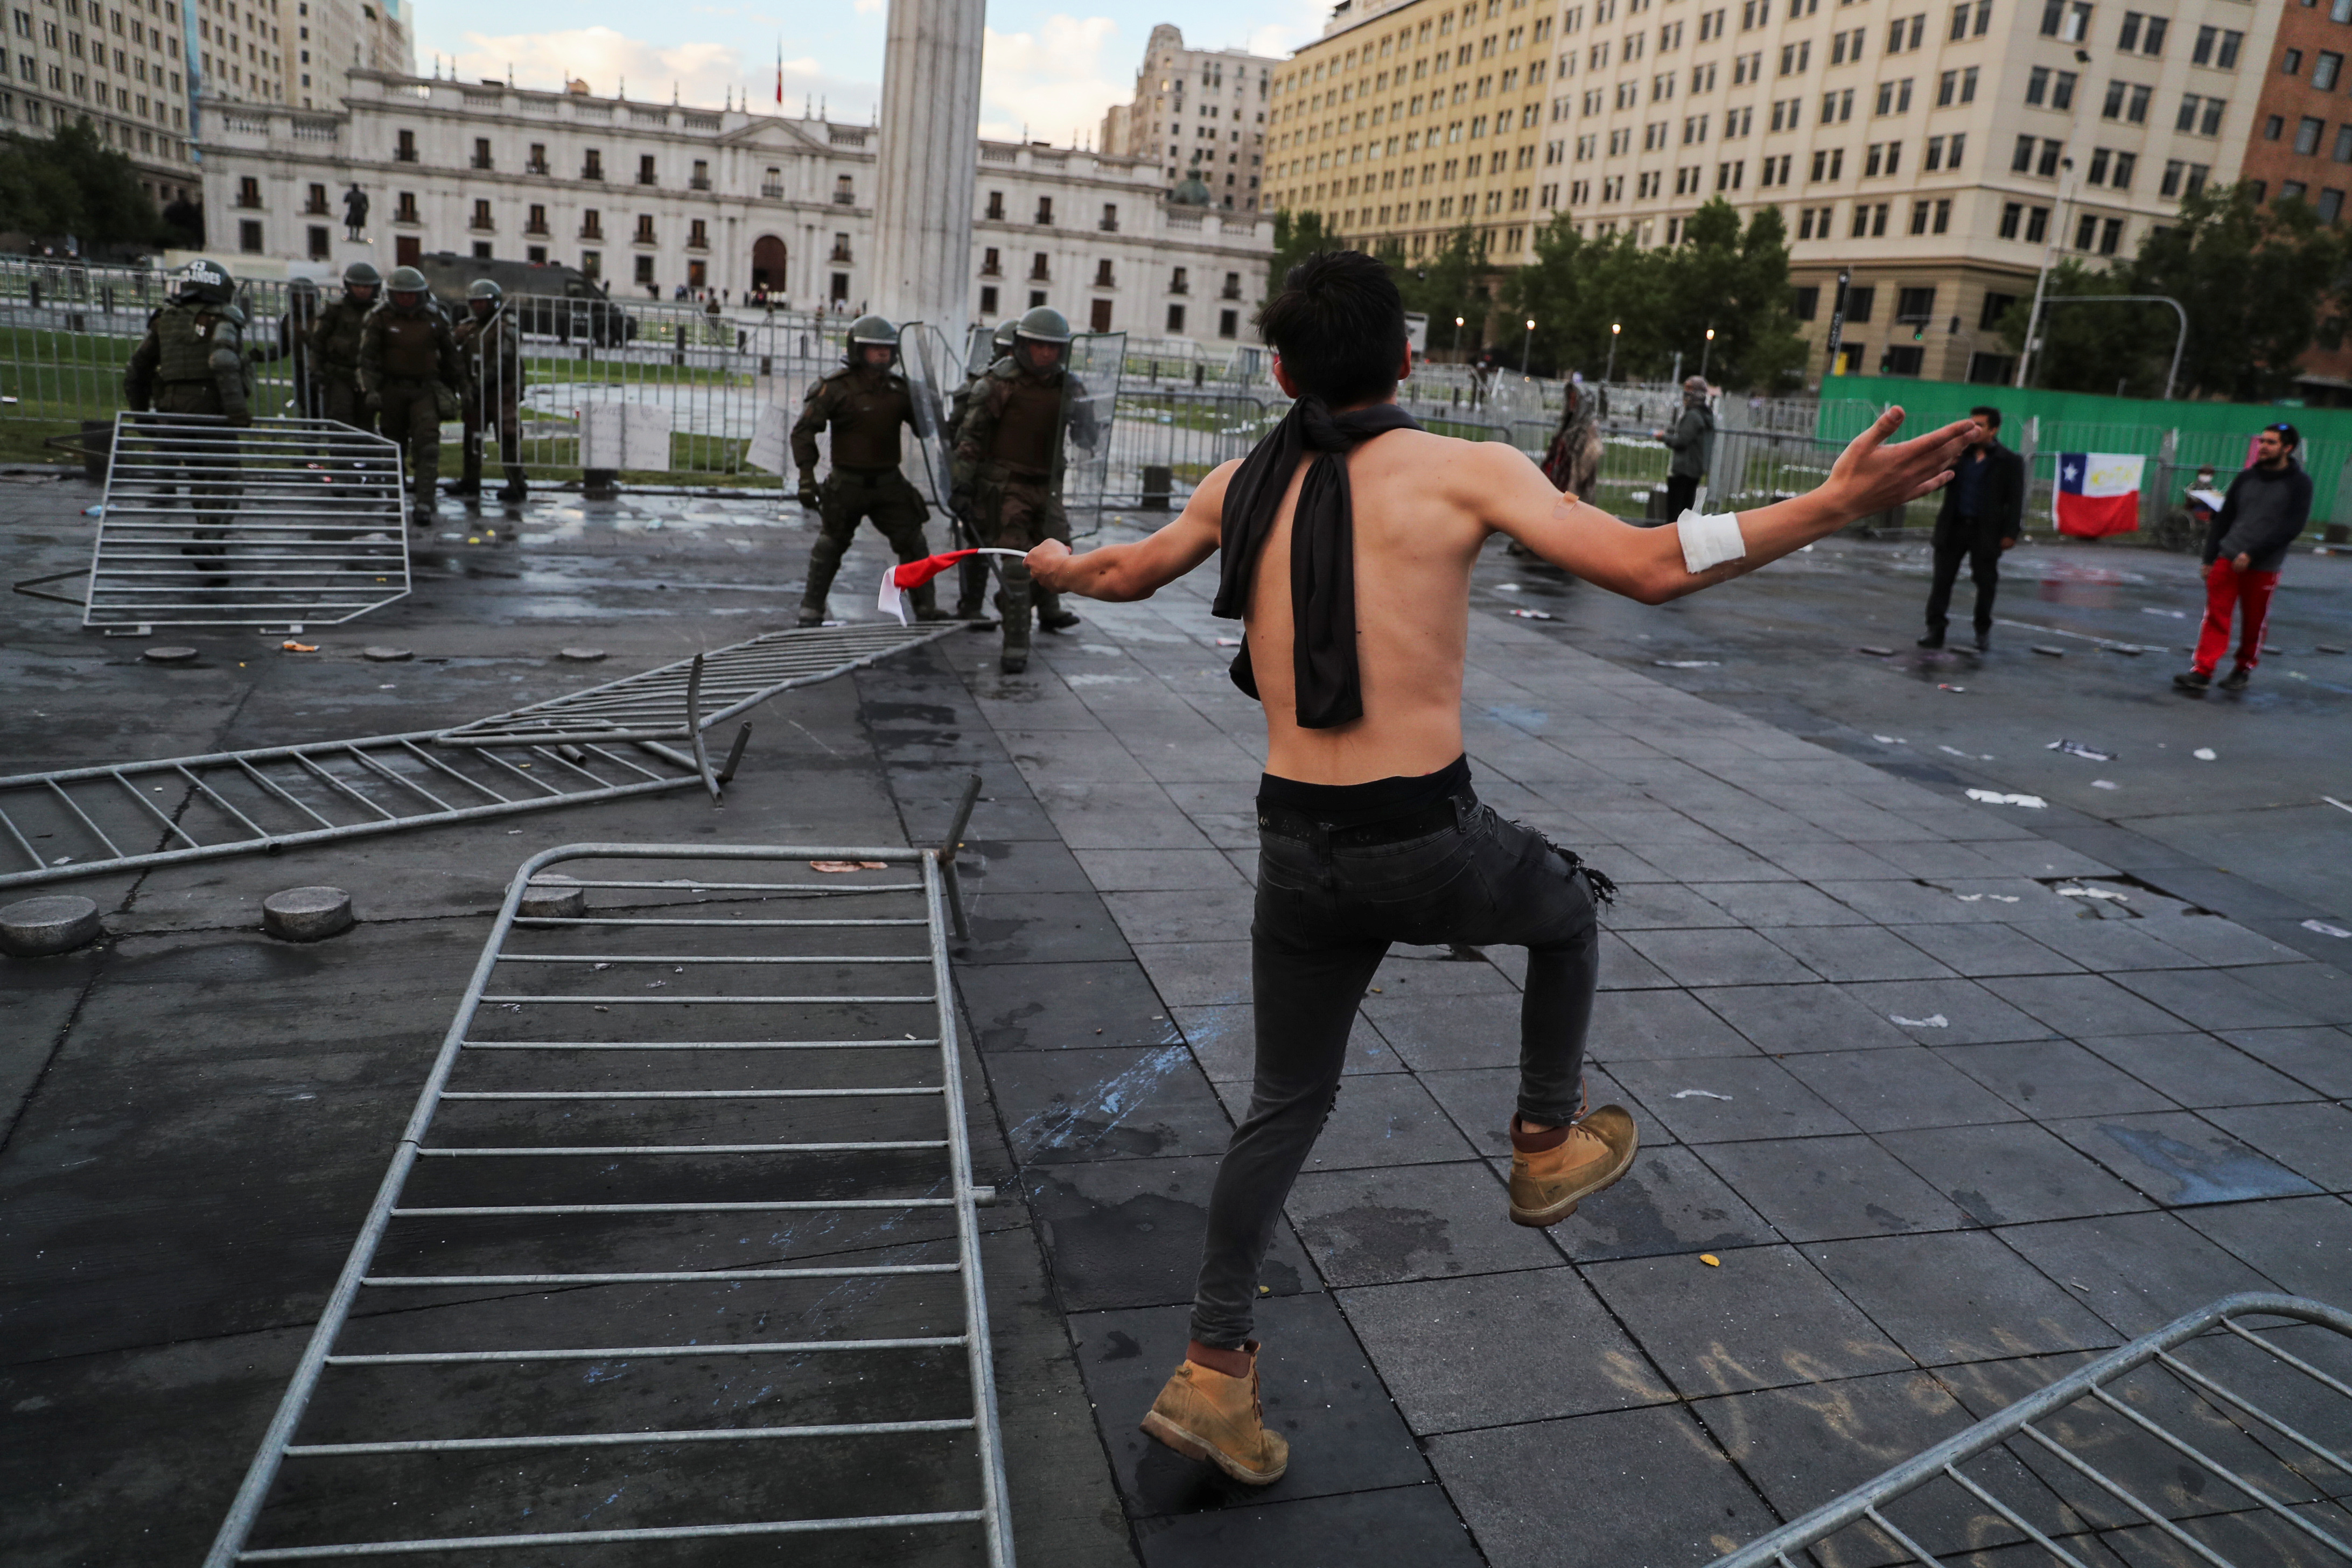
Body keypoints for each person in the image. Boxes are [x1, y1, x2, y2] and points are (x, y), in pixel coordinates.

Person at [1023, 250, 1969, 1486]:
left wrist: (1050, 566)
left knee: (1284, 1105)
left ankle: (1215, 1371)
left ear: (1278, 368)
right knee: (1567, 913)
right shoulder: (1466, 470)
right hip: (1420, 836)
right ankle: (1540, 1143)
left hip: (1293, 847)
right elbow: (1646, 563)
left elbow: (1121, 573)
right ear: (1408, 359)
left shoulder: (1237, 481)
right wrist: (1830, 507)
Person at [953, 305, 1098, 672]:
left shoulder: (1069, 387)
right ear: (1023, 346)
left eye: (1053, 347)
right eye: (1039, 346)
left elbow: (1088, 435)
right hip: (1007, 488)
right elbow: (970, 438)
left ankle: (1013, 603)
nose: (1046, 354)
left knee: (1062, 559)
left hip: (1048, 488)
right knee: (1018, 566)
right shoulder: (998, 384)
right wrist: (962, 486)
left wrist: (1087, 426)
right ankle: (1015, 645)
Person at [790, 314, 947, 627]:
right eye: (874, 348)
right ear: (858, 350)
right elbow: (804, 431)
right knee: (831, 544)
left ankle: (926, 608)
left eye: (887, 349)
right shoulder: (835, 388)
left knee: (914, 543)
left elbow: (926, 430)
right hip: (847, 483)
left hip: (889, 483)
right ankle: (812, 608)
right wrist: (806, 477)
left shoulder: (901, 390)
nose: (882, 354)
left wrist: (930, 405)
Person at [123, 258, 253, 577]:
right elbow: (222, 359)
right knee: (227, 480)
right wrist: (237, 411)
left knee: (200, 477)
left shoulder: (165, 320)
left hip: (171, 411)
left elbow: (135, 372)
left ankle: (211, 540)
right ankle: (207, 542)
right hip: (209, 408)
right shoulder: (222, 317)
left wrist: (142, 417)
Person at [2174, 422, 2312, 694]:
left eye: (2271, 442)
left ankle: (2242, 669)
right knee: (2215, 615)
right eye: (2262, 441)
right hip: (2228, 557)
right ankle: (2203, 670)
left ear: (2288, 448)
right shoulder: (2246, 478)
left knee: (2254, 621)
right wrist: (2209, 558)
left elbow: (2292, 527)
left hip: (2263, 564)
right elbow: (2223, 519)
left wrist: (2253, 554)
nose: (2263, 446)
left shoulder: (2299, 484)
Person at [1918, 404, 2026, 651]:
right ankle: (1935, 630)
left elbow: (2016, 499)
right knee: (1942, 581)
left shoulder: (2008, 461)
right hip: (1954, 527)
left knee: (1986, 583)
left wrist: (2011, 533)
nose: (1974, 430)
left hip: (1985, 532)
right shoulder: (1960, 456)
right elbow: (1938, 479)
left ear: (1994, 430)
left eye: (1980, 426)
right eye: (1972, 424)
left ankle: (1982, 631)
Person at [358, 264, 461, 519]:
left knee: (428, 446)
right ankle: (396, 501)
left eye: (411, 295)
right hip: (392, 390)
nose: (406, 299)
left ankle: (425, 501)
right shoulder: (379, 318)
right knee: (393, 448)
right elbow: (366, 360)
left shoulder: (435, 319)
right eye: (401, 294)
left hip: (424, 390)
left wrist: (460, 387)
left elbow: (451, 358)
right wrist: (370, 390)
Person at [944, 319, 1021, 622]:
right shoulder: (980, 386)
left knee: (1037, 543)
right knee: (980, 543)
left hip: (1022, 479)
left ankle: (1046, 606)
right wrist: (962, 482)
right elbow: (959, 434)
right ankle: (971, 605)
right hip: (985, 477)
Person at [449, 278, 528, 504]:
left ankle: (517, 484)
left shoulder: (506, 327)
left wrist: (478, 386)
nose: (478, 307)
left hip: (502, 392)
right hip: (477, 394)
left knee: (508, 438)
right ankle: (470, 481)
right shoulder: (471, 327)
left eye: (482, 303)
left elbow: (501, 362)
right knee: (472, 437)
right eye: (474, 303)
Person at [309, 262, 381, 433]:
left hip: (368, 377)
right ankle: (341, 459)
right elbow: (317, 342)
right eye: (357, 286)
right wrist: (316, 370)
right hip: (338, 375)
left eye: (367, 286)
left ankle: (365, 460)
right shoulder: (335, 310)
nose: (362, 290)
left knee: (366, 421)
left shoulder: (379, 314)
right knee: (341, 420)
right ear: (349, 286)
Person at [1653, 374, 1714, 520]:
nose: (1685, 393)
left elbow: (1682, 441)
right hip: (1695, 469)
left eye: (1689, 389)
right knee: (1686, 513)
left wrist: (1663, 437)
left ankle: (1673, 541)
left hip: (1684, 469)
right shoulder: (1705, 414)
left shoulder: (1693, 416)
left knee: (1676, 514)